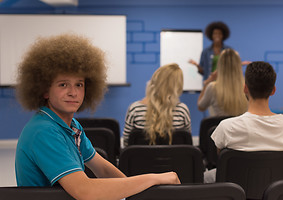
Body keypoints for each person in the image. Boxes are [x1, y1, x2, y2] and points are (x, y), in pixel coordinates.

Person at [15, 34, 180, 200]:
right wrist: (155, 178)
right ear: (44, 90)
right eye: (63, 84)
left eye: (79, 84)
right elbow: (85, 191)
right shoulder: (44, 131)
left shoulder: (72, 126)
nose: (73, 92)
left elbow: (104, 170)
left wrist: (137, 192)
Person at [204, 61, 283, 183]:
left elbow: (220, 159)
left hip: (237, 190)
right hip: (275, 190)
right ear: (273, 90)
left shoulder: (227, 126)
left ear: (245, 88)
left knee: (205, 177)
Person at [123, 63, 191, 147]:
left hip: (141, 160)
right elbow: (187, 144)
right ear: (178, 86)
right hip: (175, 159)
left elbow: (127, 144)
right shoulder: (182, 110)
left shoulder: (135, 109)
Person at [197, 48, 248, 117]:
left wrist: (207, 83)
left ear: (220, 66)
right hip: (242, 127)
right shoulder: (248, 87)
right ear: (238, 66)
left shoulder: (212, 87)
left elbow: (201, 107)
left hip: (219, 127)